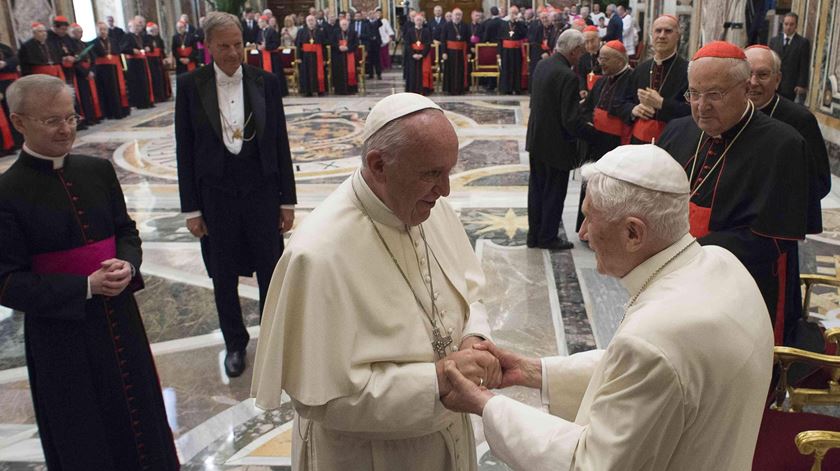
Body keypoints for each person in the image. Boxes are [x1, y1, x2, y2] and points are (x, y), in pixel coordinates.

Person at [440, 144, 774, 471]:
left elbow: (589, 463)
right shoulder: (723, 262)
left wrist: (487, 407)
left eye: (588, 218)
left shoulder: (656, 339)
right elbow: (642, 377)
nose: (582, 233)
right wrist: (533, 372)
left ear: (633, 232)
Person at [252, 92, 499, 470]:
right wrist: (439, 380)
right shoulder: (317, 254)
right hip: (368, 457)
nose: (446, 190)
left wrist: (474, 339)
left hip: (446, 439)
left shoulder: (430, 208)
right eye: (432, 173)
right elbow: (322, 400)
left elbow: (469, 293)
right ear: (379, 165)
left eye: (449, 171)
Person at [0, 74, 179, 470]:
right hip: (61, 337)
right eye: (52, 121)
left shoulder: (96, 171)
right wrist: (83, 286)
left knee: (141, 420)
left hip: (120, 318)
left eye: (70, 118)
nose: (65, 129)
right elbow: (7, 282)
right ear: (18, 122)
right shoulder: (6, 193)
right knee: (84, 433)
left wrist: (128, 262)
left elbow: (126, 231)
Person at [658, 41, 808, 345]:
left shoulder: (783, 144)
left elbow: (774, 237)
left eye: (714, 94)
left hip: (741, 289)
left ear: (744, 88)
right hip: (675, 282)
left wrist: (689, 250)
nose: (702, 106)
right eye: (694, 94)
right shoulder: (678, 130)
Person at [175, 12, 297, 377]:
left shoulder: (266, 82)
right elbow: (185, 148)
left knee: (270, 272)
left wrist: (286, 200)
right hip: (216, 197)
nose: (232, 53)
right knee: (223, 276)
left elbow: (280, 143)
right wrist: (191, 209)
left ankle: (273, 341)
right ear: (208, 46)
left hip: (261, 192)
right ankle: (235, 344)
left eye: (237, 44)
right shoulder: (190, 85)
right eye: (224, 46)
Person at [745, 44, 832, 343]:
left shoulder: (799, 120)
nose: (754, 82)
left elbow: (821, 182)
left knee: (774, 314)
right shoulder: (729, 114)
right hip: (731, 232)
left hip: (774, 238)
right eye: (748, 74)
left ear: (778, 80)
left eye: (763, 75)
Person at [526, 30, 588, 250]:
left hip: (536, 139)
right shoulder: (568, 76)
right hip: (556, 144)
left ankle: (534, 236)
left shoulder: (543, 65)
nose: (581, 57)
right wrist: (591, 133)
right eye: (581, 52)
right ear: (574, 51)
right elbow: (570, 120)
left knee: (537, 189)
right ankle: (548, 237)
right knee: (554, 192)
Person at [576, 40, 633, 231]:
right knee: (591, 186)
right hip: (595, 141)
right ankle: (586, 227)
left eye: (605, 59)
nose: (601, 63)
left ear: (619, 60)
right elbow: (587, 107)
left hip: (615, 145)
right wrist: (588, 122)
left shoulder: (632, 80)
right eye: (600, 58)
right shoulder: (601, 81)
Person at [622, 15, 690, 144]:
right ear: (652, 35)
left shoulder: (688, 71)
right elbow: (623, 101)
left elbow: (693, 111)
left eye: (668, 31)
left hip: (672, 141)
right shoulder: (640, 69)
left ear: (678, 36)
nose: (662, 35)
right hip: (638, 143)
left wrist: (662, 103)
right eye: (658, 31)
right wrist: (633, 109)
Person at [768, 12, 810, 103]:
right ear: (783, 24)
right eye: (786, 24)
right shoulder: (774, 41)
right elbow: (769, 61)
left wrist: (801, 84)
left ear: (796, 26)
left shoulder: (803, 43)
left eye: (791, 24)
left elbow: (804, 65)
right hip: (775, 84)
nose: (788, 27)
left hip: (791, 85)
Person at [92, 21, 130, 119]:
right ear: (97, 31)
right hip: (102, 71)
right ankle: (109, 113)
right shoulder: (93, 43)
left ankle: (119, 111)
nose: (103, 32)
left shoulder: (113, 41)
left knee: (117, 90)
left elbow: (117, 53)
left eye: (105, 29)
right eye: (101, 30)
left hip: (114, 70)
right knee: (105, 92)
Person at [68, 23, 102, 126]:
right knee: (84, 97)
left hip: (89, 73)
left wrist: (92, 71)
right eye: (78, 32)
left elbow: (93, 59)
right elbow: (75, 62)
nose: (80, 34)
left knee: (92, 96)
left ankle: (94, 116)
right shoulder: (71, 46)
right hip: (80, 75)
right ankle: (87, 118)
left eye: (81, 32)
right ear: (72, 33)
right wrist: (86, 73)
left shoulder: (85, 44)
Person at [120, 20, 155, 109]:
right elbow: (123, 49)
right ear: (130, 27)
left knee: (145, 82)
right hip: (133, 63)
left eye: (138, 26)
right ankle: (139, 103)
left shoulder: (142, 36)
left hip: (143, 61)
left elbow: (149, 45)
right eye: (135, 26)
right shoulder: (127, 36)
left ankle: (147, 101)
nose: (137, 28)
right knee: (136, 83)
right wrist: (132, 50)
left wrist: (148, 47)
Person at [498, 6, 527, 94]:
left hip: (516, 50)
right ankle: (506, 88)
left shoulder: (521, 24)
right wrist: (498, 52)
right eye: (512, 13)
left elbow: (524, 35)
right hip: (505, 51)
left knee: (516, 69)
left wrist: (518, 23)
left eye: (515, 13)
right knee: (506, 69)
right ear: (509, 13)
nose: (513, 15)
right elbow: (499, 39)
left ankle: (517, 88)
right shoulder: (503, 23)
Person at [295, 15, 327, 96]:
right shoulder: (301, 31)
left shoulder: (320, 31)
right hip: (305, 56)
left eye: (312, 20)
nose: (311, 22)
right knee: (306, 73)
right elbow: (298, 45)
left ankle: (320, 90)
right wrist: (298, 57)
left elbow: (324, 46)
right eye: (309, 20)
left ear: (315, 21)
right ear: (306, 22)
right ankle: (307, 91)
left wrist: (324, 58)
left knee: (318, 73)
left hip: (318, 56)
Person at [441, 8, 471, 95]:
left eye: (459, 15)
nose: (457, 17)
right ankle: (450, 89)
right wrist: (444, 52)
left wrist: (468, 52)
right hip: (450, 52)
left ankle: (461, 89)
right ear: (452, 16)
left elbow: (468, 41)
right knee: (450, 70)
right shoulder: (446, 26)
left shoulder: (465, 26)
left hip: (461, 52)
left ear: (461, 16)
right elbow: (443, 40)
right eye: (456, 15)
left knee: (461, 70)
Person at [0, 41, 22, 153]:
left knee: (13, 111)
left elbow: (15, 59)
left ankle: (17, 142)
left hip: (9, 83)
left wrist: (5, 63)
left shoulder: (4, 47)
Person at [404, 13, 433, 95]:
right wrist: (413, 54)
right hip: (412, 55)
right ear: (414, 21)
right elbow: (407, 44)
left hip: (423, 55)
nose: (419, 22)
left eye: (420, 20)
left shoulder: (426, 31)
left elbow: (428, 44)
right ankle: (412, 89)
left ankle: (422, 89)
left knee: (422, 73)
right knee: (413, 73)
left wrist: (422, 55)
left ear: (423, 21)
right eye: (417, 20)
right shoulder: (410, 31)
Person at [144, 22, 171, 102]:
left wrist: (165, 58)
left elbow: (162, 49)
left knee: (161, 78)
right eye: (154, 30)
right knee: (154, 79)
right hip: (150, 62)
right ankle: (156, 97)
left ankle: (163, 96)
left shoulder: (159, 38)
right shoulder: (145, 38)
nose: (155, 31)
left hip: (159, 60)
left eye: (156, 30)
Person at [331, 18, 359, 95]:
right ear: (340, 25)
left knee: (351, 72)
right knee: (339, 72)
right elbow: (332, 43)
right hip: (338, 56)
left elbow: (356, 44)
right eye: (343, 24)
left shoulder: (353, 33)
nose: (344, 26)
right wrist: (339, 47)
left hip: (350, 55)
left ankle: (351, 90)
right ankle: (340, 90)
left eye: (345, 24)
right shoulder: (335, 32)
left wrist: (348, 48)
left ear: (348, 25)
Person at [528, 10, 554, 89]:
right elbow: (534, 42)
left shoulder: (554, 28)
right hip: (539, 53)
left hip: (551, 52)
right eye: (542, 18)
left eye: (546, 17)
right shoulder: (538, 29)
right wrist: (542, 52)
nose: (545, 20)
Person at [577, 25, 602, 96]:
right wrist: (582, 88)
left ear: (599, 39)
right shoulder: (582, 56)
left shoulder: (606, 53)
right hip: (588, 93)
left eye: (592, 41)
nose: (590, 45)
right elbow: (581, 75)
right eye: (586, 42)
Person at [364, 10, 383, 79]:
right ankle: (371, 74)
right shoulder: (366, 23)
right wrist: (370, 37)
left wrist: (377, 18)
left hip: (376, 43)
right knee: (370, 60)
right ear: (368, 15)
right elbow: (364, 33)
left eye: (373, 14)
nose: (372, 15)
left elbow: (380, 24)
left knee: (377, 60)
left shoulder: (377, 22)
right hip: (369, 43)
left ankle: (378, 74)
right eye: (370, 14)